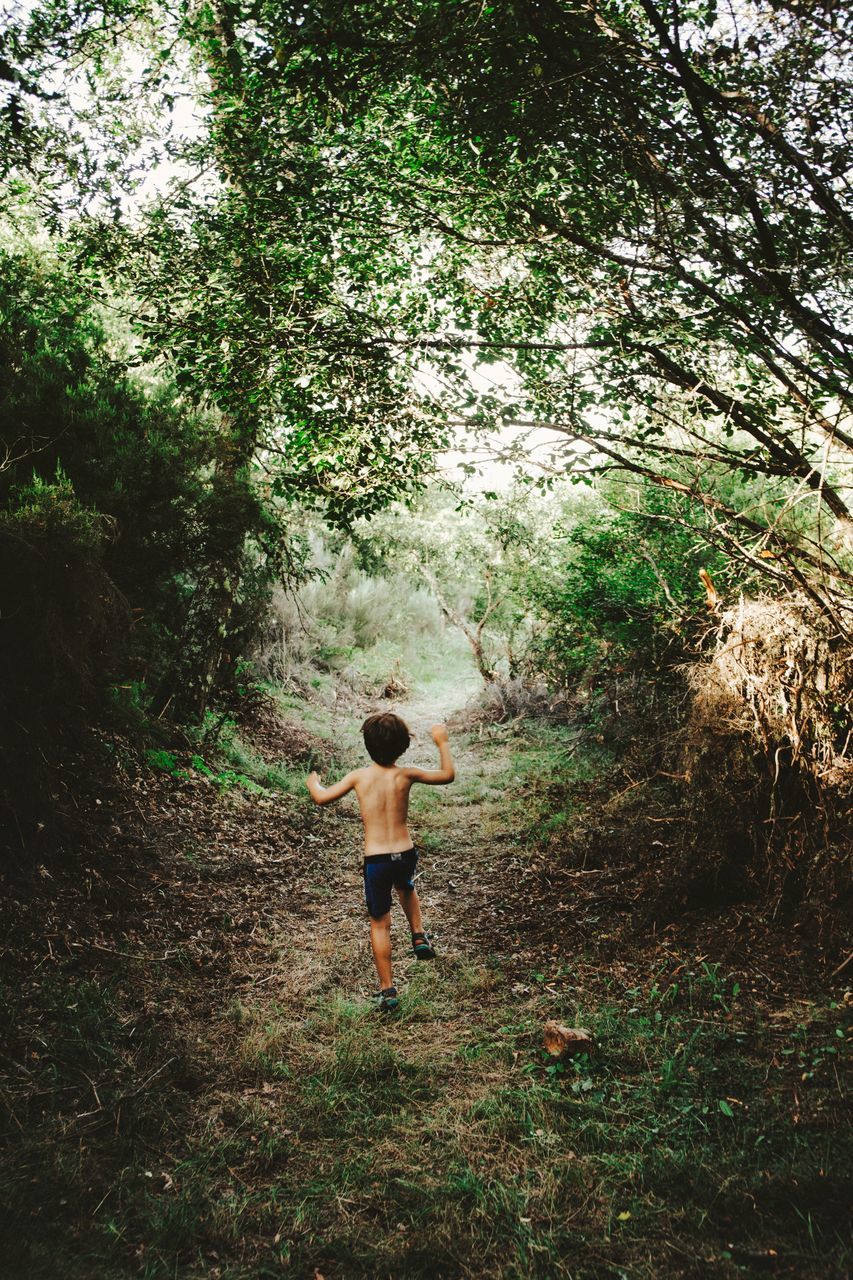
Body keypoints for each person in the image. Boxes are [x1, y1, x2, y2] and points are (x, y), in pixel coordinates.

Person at [306, 713, 455, 1011]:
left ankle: (388, 990)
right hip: (405, 852)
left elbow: (322, 798)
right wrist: (442, 742)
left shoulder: (359, 777)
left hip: (377, 859)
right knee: (406, 886)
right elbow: (446, 775)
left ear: (367, 744)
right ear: (403, 746)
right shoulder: (406, 774)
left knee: (380, 923)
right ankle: (418, 935)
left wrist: (313, 782)